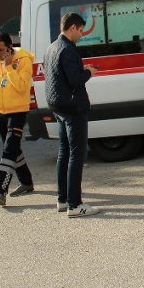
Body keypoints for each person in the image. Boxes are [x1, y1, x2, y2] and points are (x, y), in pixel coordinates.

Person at [44, 12, 99, 218]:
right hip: (73, 106)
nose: (82, 34)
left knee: (64, 153)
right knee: (77, 154)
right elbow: (75, 80)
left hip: (58, 106)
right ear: (72, 28)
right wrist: (89, 73)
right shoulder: (67, 49)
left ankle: (63, 199)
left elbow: (62, 74)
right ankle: (75, 204)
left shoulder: (52, 48)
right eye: (81, 29)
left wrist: (80, 70)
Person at [0, 32, 35, 207]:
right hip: (0, 111)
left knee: (9, 149)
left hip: (17, 111)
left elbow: (23, 87)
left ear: (9, 47)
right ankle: (26, 182)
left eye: (1, 49)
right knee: (12, 148)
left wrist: (8, 67)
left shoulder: (23, 60)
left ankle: (0, 191)